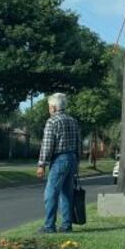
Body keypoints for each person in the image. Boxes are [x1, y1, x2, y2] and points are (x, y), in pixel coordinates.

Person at [37, 92, 81, 233]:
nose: (49, 109)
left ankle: (49, 226)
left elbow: (47, 145)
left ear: (54, 107)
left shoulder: (52, 122)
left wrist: (41, 164)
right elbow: (78, 143)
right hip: (72, 158)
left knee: (51, 192)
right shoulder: (73, 121)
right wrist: (77, 161)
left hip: (59, 160)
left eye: (49, 107)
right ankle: (66, 225)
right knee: (67, 193)